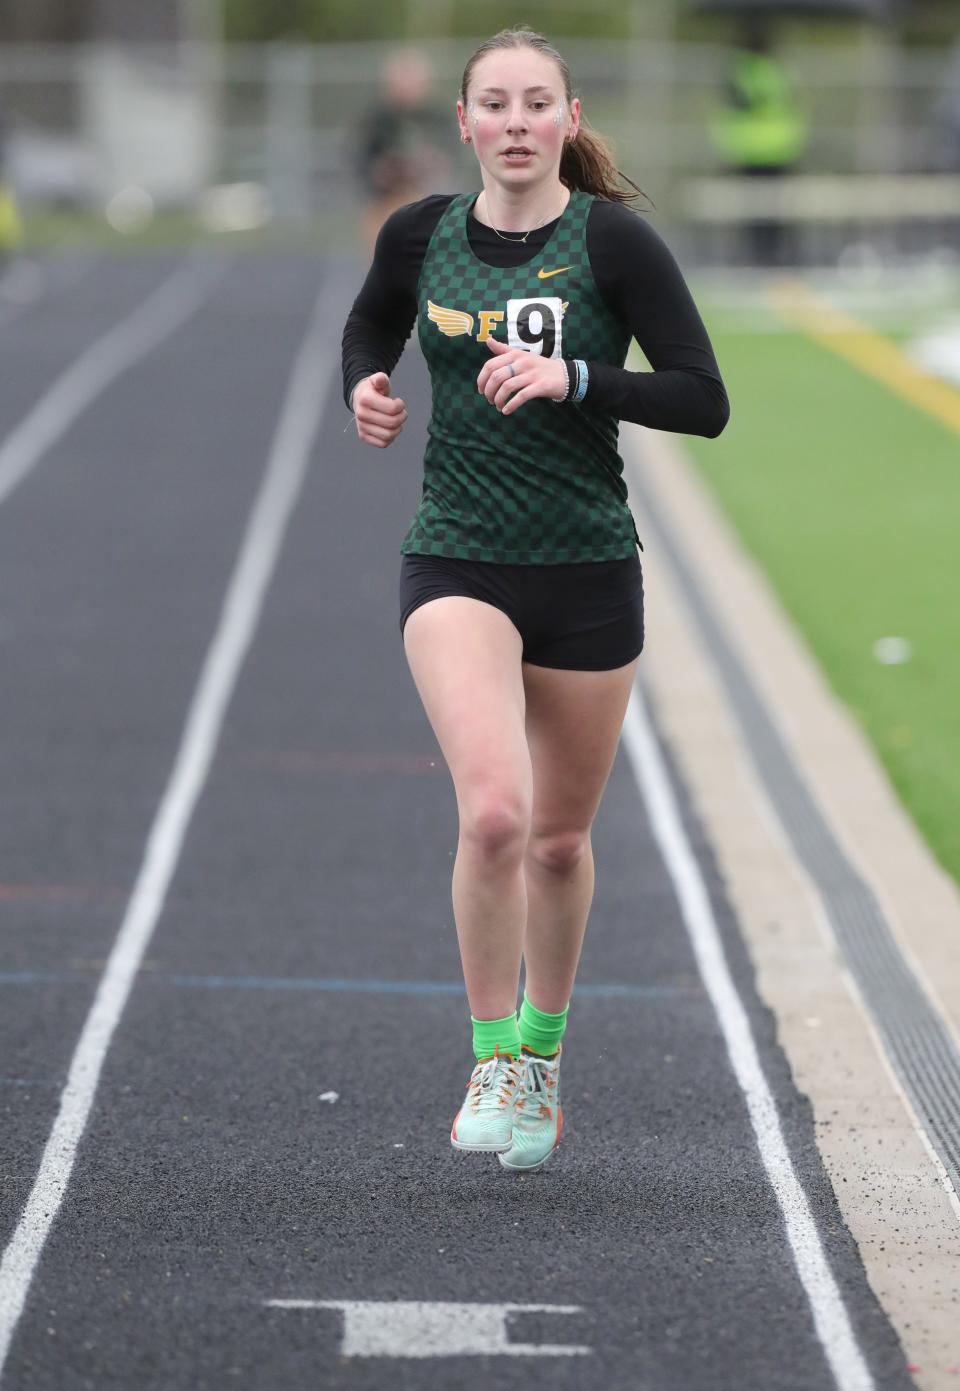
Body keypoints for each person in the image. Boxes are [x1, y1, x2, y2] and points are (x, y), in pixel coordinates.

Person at [341, 26, 729, 1173]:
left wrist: (578, 378)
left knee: (559, 840)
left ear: (567, 119)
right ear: (462, 123)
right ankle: (491, 1052)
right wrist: (366, 384)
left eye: (536, 103)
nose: (515, 123)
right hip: (458, 555)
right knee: (497, 813)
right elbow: (373, 319)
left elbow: (703, 398)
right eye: (495, 104)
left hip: (589, 569)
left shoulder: (614, 244)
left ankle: (545, 1055)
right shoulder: (421, 233)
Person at [354, 47, 453, 253]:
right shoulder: (377, 120)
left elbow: (451, 158)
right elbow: (361, 160)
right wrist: (383, 171)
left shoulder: (438, 118)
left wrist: (428, 165)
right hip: (385, 202)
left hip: (430, 200)